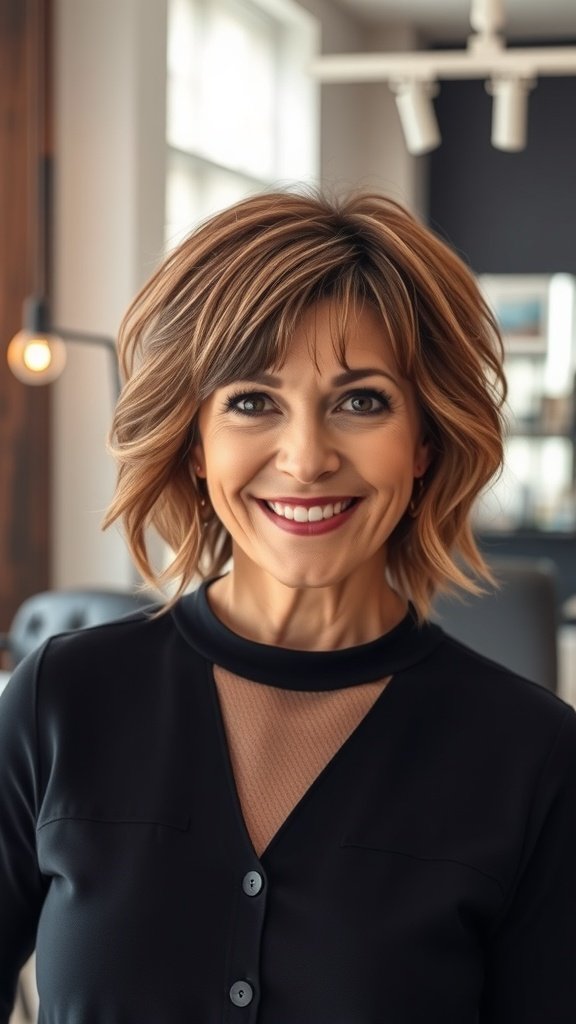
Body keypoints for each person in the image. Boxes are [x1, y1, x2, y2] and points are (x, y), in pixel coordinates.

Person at [1, 189, 575, 1024]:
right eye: (251, 401)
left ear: (424, 441)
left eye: (362, 400)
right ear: (195, 443)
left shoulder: (531, 754)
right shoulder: (62, 700)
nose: (305, 459)